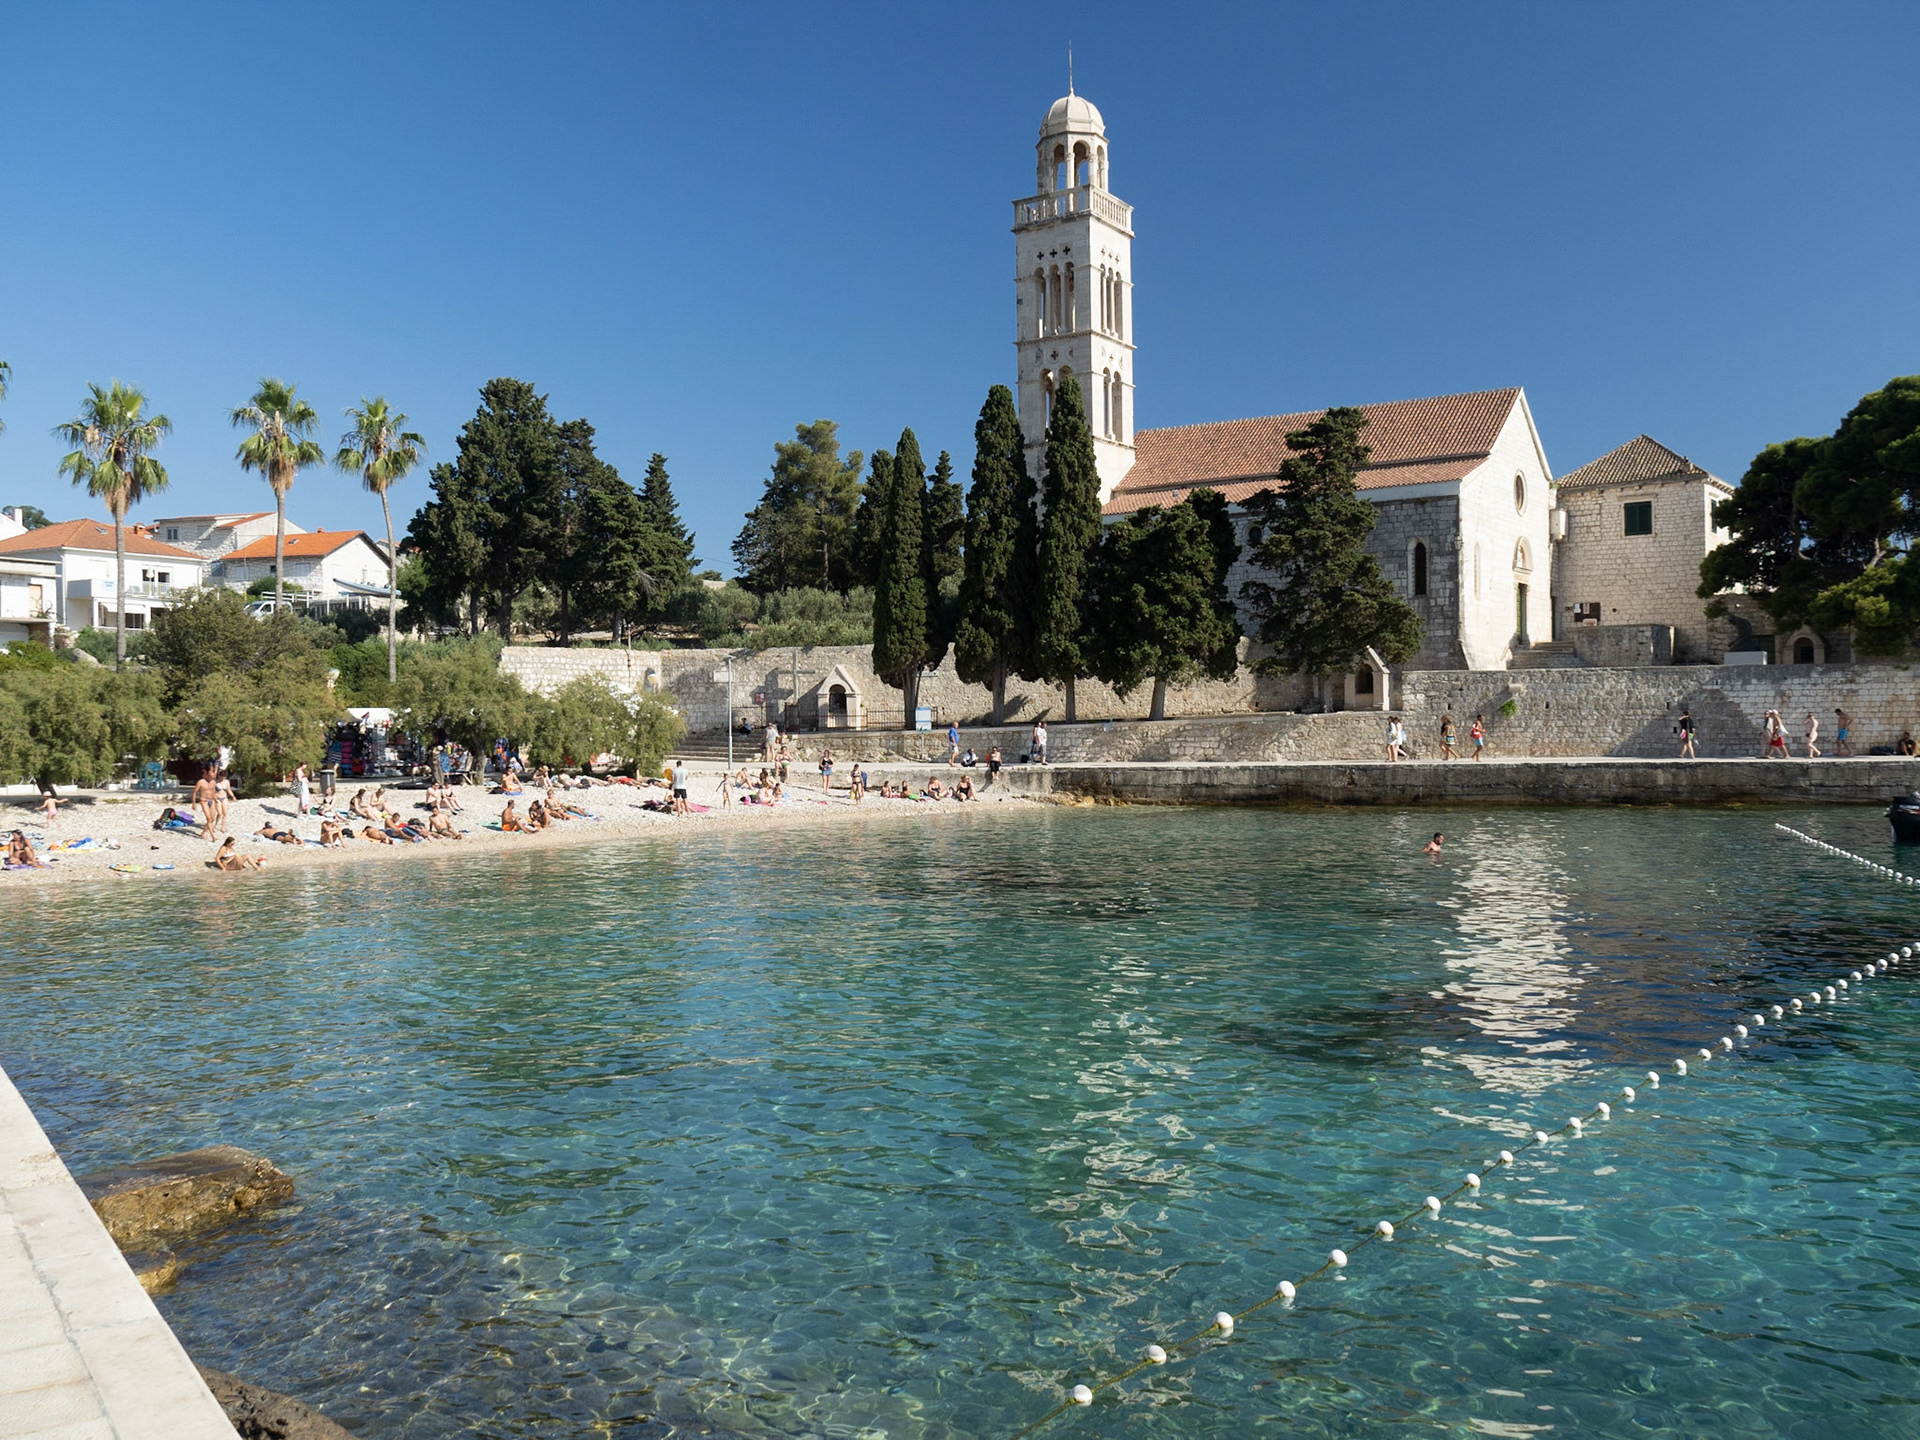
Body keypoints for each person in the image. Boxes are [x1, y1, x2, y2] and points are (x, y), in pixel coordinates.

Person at [192, 768, 219, 837]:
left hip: (211, 800)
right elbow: (194, 792)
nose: (211, 778)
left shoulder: (213, 782)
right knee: (209, 818)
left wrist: (216, 800)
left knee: (212, 818)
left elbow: (213, 792)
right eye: (210, 776)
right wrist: (194, 803)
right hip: (203, 801)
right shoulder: (201, 782)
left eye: (213, 777)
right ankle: (212, 836)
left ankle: (203, 833)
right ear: (206, 775)